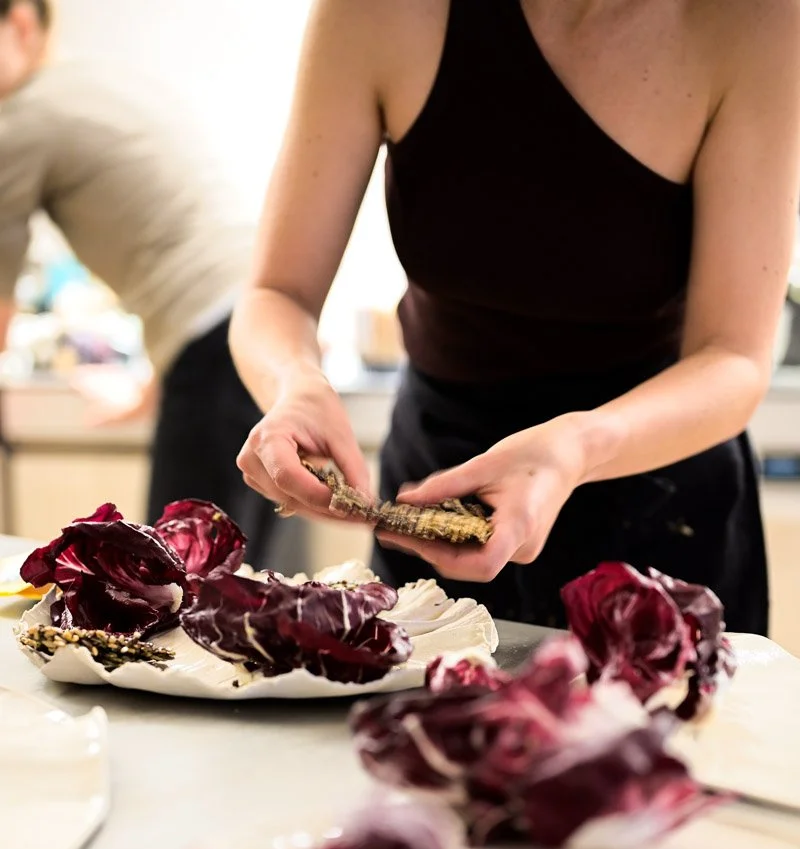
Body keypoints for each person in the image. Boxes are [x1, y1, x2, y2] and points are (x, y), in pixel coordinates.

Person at [232, 0, 800, 632]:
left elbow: (735, 357)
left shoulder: (757, 21)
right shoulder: (377, 13)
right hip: (439, 469)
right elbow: (276, 295)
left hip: (658, 490)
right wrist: (296, 385)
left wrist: (578, 447)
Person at [0, 0, 277, 559]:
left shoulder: (25, 117)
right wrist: (160, 382)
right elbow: (193, 251)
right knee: (235, 575)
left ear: (22, 23)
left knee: (182, 580)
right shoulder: (102, 82)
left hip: (216, 350)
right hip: (267, 326)